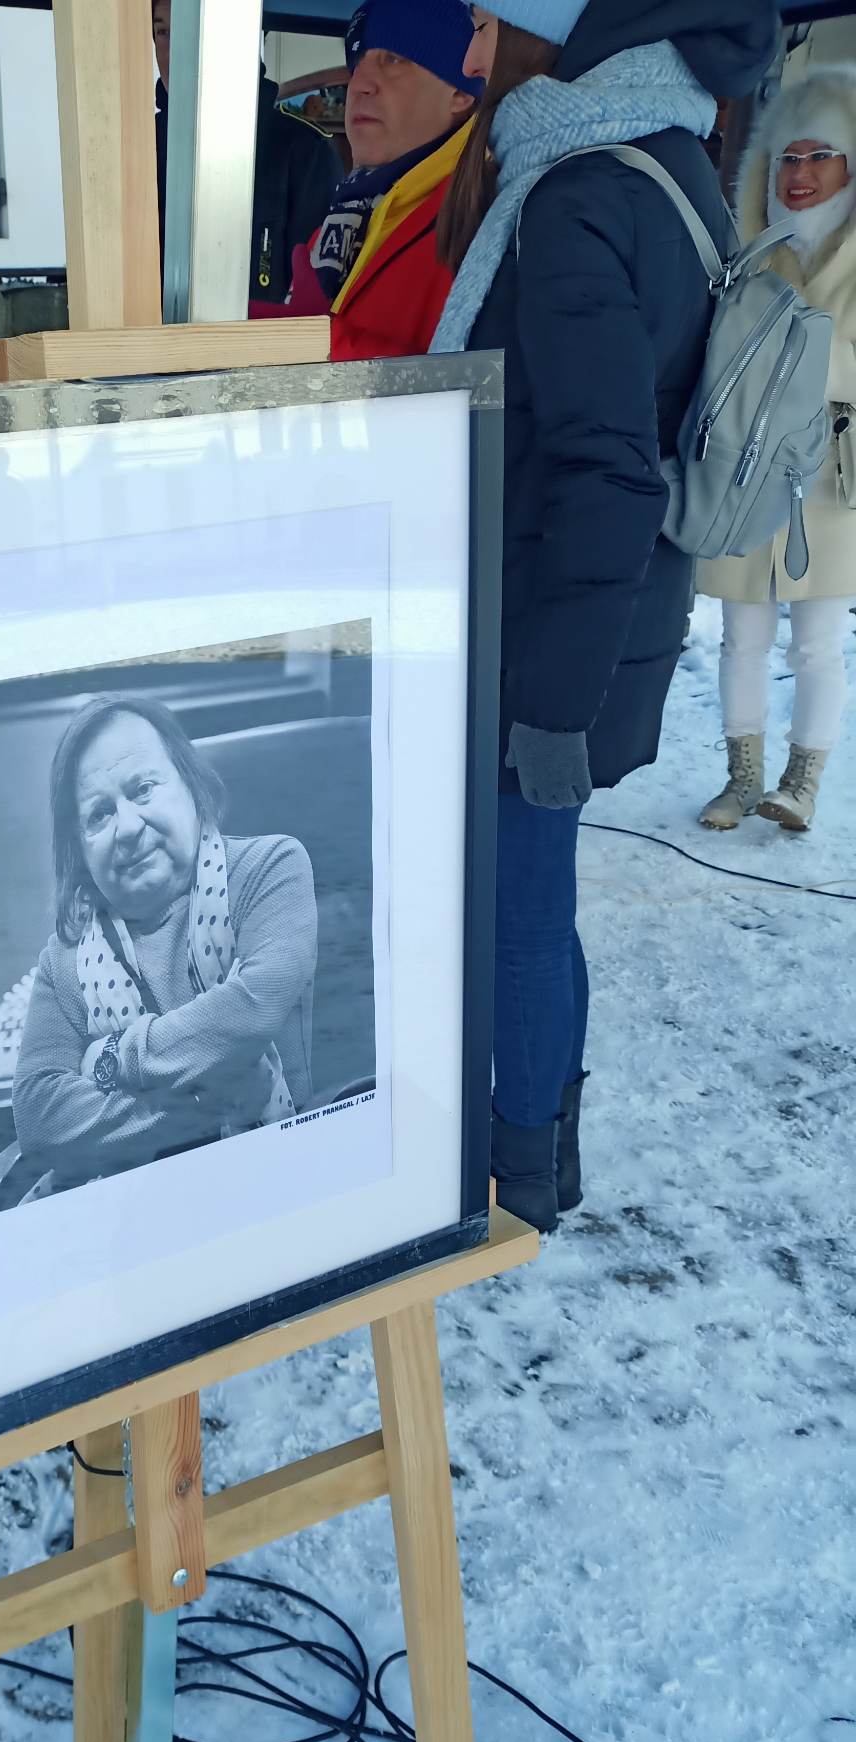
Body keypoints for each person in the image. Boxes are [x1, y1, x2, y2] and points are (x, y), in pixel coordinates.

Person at [429, 0, 777, 1231]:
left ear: (554, 33)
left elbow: (608, 469)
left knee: (518, 911)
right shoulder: (673, 162)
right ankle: (543, 1151)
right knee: (538, 901)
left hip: (546, 642)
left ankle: (518, 1174)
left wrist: (551, 704)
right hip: (603, 622)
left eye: (487, 24)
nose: (472, 52)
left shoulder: (579, 190)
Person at [12, 697, 318, 1196]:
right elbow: (39, 1119)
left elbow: (252, 1007)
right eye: (99, 814)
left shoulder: (270, 868)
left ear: (191, 787)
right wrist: (191, 1114)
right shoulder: (62, 961)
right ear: (80, 849)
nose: (128, 827)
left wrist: (115, 1057)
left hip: (280, 1184)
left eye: (143, 789)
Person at [698, 67, 856, 835]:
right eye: (789, 157)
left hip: (831, 474)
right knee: (742, 637)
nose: (801, 173)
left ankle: (802, 782)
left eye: (820, 154)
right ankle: (742, 779)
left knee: (820, 642)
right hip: (745, 470)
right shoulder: (749, 250)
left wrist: (800, 357)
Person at [280, 0, 482, 360]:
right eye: (356, 63)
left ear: (461, 91)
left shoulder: (480, 223)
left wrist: (306, 342)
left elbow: (486, 383)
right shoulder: (337, 227)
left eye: (393, 59)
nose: (359, 84)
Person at [150, 0, 338, 313]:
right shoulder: (138, 147)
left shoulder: (306, 153)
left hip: (260, 344)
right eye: (164, 32)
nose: (176, 52)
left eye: (194, 31)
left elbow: (315, 310)